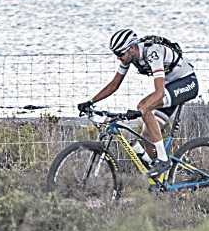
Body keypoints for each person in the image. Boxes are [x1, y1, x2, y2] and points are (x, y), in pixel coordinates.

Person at [78, 29, 199, 177]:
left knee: (144, 106)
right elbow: (114, 85)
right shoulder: (129, 57)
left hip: (186, 83)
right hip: (171, 87)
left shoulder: (152, 52)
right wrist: (90, 101)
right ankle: (164, 179)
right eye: (116, 54)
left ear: (132, 48)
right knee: (148, 136)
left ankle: (163, 160)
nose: (118, 58)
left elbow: (159, 92)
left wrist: (142, 110)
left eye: (120, 54)